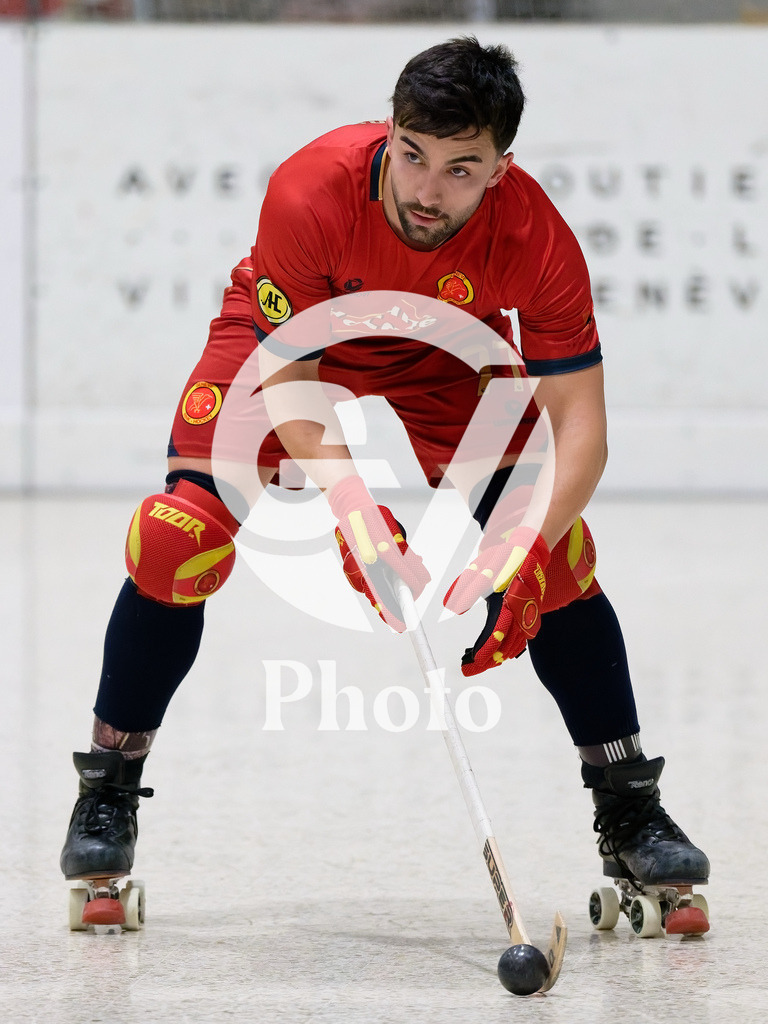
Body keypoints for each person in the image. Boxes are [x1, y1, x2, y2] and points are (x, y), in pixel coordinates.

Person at [60, 37, 709, 920]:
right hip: (291, 345)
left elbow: (583, 430)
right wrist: (356, 511)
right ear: (390, 131)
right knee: (178, 540)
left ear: (501, 170)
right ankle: (107, 788)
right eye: (412, 154)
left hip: (447, 358)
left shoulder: (536, 236)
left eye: (461, 169)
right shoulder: (310, 191)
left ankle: (632, 810)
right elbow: (293, 385)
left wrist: (524, 548)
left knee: (558, 561)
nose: (426, 190)